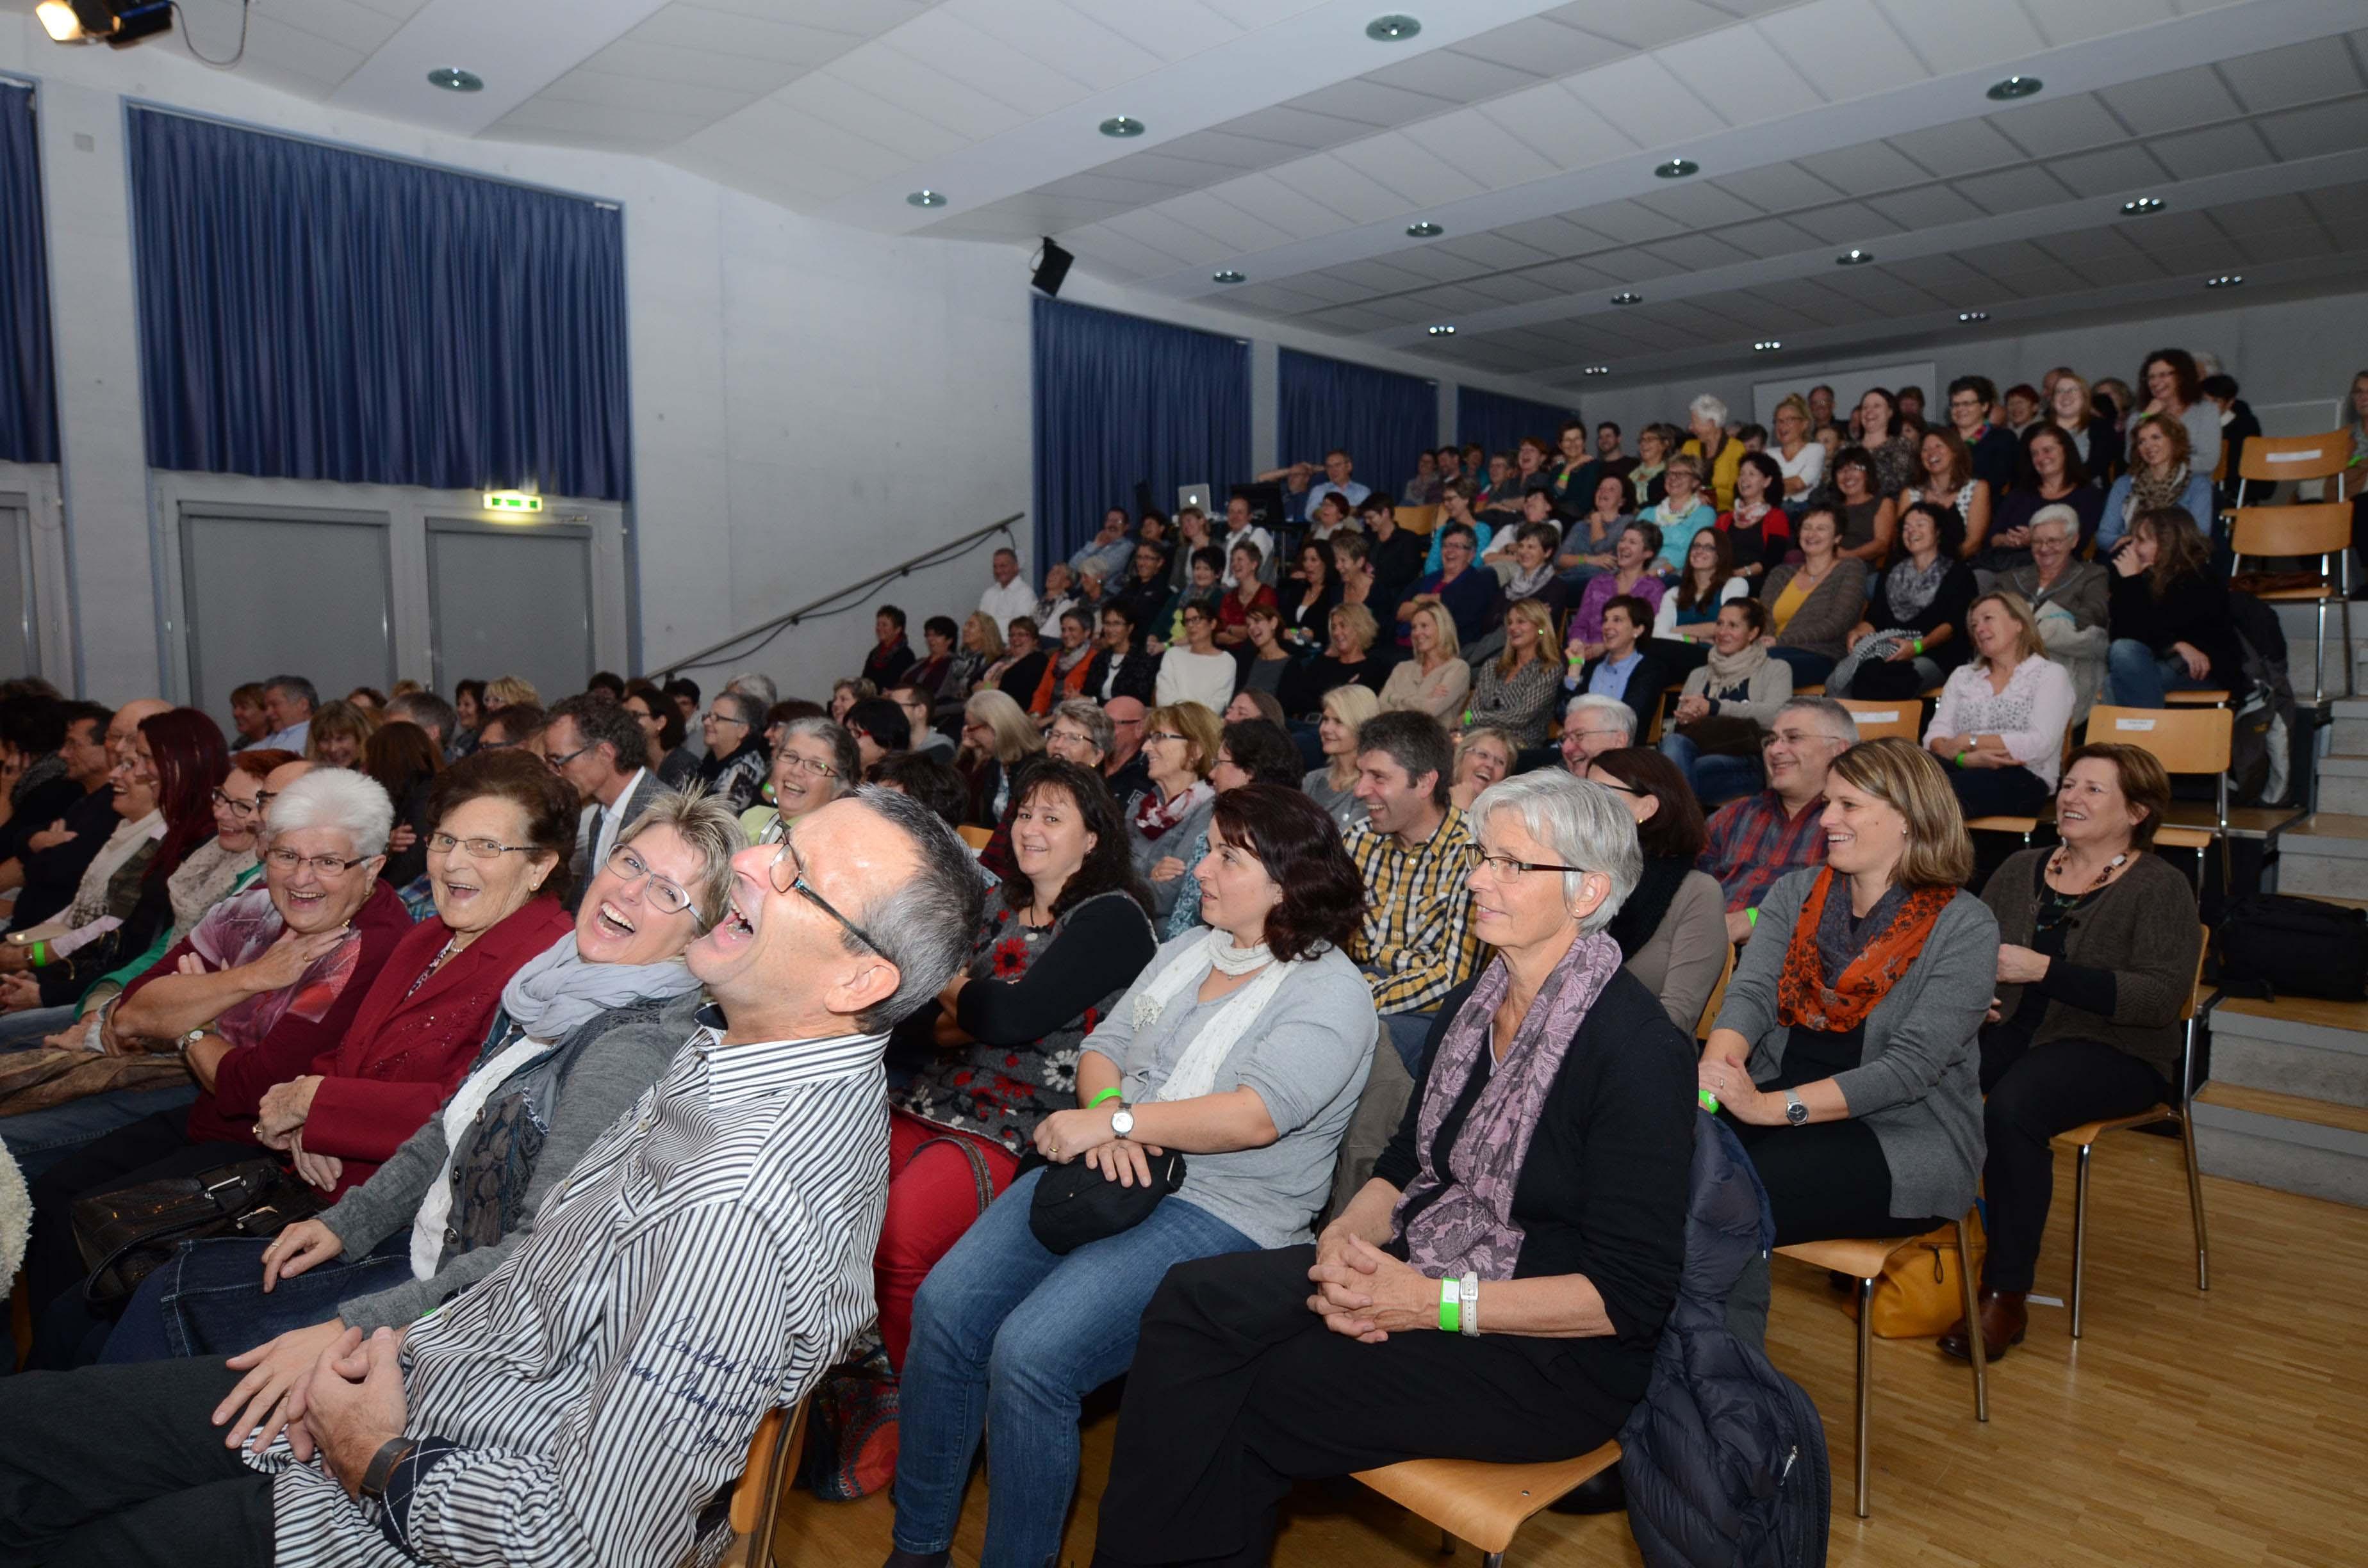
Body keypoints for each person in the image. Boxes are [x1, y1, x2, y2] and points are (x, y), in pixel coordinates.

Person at [0, 788, 981, 1568]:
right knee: (33, 1433)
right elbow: (528, 1256)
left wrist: (377, 1452)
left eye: (798, 876)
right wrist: (368, 1335)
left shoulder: (737, 1196)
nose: (754, 868)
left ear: (859, 982)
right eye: (779, 838)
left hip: (392, 1510)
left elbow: (591, 1544)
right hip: (425, 1389)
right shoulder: (733, 1053)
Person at [1087, 772, 1691, 1568]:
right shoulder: (1479, 1000)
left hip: (1549, 1358)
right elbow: (1410, 1163)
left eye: (1512, 864)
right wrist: (1343, 1235)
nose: (1477, 876)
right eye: (1483, 856)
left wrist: (1426, 1304)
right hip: (1426, 1263)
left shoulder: (1637, 1052)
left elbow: (1626, 1298)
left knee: (1257, 1387)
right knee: (1195, 1300)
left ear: (1589, 893)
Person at [889, 781, 1372, 1568]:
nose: (1200, 868)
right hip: (1111, 1168)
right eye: (1208, 846)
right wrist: (1114, 1117)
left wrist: (1118, 1124)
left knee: (1033, 1357)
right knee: (947, 1308)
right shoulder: (1187, 951)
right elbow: (1105, 1048)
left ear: (1287, 883)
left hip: (1223, 1207)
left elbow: (1257, 1115)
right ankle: (917, 1548)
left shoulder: (1331, 992)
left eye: (1225, 856)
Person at [98, 788, 739, 1371]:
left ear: (701, 937)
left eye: (667, 892)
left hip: (453, 1309)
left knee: (167, 1299)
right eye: (629, 863)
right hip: (420, 1239)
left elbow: (537, 1257)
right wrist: (346, 1224)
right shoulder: (559, 981)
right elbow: (450, 1124)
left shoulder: (626, 1046)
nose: (629, 891)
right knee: (157, 1281)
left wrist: (362, 1323)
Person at [17, 769, 425, 1366]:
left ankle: (52, 1394)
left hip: (265, 1153)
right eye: (286, 855)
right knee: (53, 1196)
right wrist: (252, 978)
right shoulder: (255, 904)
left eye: (328, 863)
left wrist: (192, 1018)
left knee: (87, 1253)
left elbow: (249, 1088)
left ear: (373, 867)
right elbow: (133, 1010)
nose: (302, 879)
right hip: (204, 1111)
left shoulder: (369, 943)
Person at [878, 761, 1159, 1370]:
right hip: (930, 1096)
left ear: (1092, 840)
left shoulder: (1111, 918)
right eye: (1026, 813)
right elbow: (913, 1017)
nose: (1030, 827)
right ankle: (868, 1367)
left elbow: (1009, 1020)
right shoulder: (993, 905)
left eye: (1052, 818)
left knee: (898, 1242)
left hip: (1022, 1125)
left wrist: (955, 986)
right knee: (832, 1212)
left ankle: (911, 1396)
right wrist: (973, 1005)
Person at [1943, 744, 2199, 1361]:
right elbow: (1963, 946)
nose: (2071, 797)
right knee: (1912, 1073)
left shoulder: (2161, 886)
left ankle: (2004, 1294)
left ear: (2137, 810)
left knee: (2012, 1109)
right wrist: (1973, 994)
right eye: (2068, 784)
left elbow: (2160, 998)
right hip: (2009, 1031)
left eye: (2093, 789)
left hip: (2115, 1049)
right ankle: (1899, 1242)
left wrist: (2045, 970)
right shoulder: (2020, 867)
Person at [1696, 738, 1994, 1247]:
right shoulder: (1796, 893)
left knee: (1718, 1199)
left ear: (1910, 817)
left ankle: (1696, 1327)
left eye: (1848, 805)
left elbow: (1909, 1070)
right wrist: (1713, 1086)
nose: (1825, 819)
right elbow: (1752, 996)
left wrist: (1769, 1109)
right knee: (1653, 1166)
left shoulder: (1964, 925)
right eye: (1828, 802)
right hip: (1775, 1090)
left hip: (1898, 1132)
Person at [1345, 711, 1482, 1072]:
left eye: (1378, 777)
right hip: (1352, 982)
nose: (1360, 790)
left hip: (1425, 1009)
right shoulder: (1357, 840)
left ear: (1424, 783)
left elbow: (1453, 979)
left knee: (1357, 1047)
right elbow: (1320, 932)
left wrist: (1352, 997)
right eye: (1361, 774)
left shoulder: (1474, 854)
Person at [1586, 747, 1727, 1031]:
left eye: (1598, 792)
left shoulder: (1696, 892)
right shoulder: (1575, 876)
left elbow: (1678, 1016)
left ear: (1647, 808)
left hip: (1639, 1054)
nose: (1584, 804)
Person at [1700, 696, 1856, 945]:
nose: (1775, 750)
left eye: (1793, 738)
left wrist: (1752, 919)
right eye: (1771, 740)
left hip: (1794, 965)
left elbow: (1847, 905)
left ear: (1839, 750)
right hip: (1705, 952)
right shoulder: (1733, 816)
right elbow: (1685, 886)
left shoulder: (1856, 824)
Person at [1923, 592, 2077, 820]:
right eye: (1974, 624)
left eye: (1988, 618)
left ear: (2019, 624)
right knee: (1904, 772)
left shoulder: (2050, 674)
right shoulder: (1963, 675)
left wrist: (1969, 742)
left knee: (1934, 793)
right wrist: (1964, 759)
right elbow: (1935, 736)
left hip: (2024, 776)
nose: (1979, 629)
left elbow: (2039, 744)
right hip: (1962, 767)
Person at [1159, 720, 1306, 938]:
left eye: (1220, 763)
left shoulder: (1229, 834)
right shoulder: (1302, 830)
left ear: (1249, 772)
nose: (1211, 774)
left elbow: (1185, 922)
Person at [1830, 501, 1977, 700]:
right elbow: (1876, 616)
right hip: (1888, 650)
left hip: (1935, 653)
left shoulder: (1959, 573)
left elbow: (1953, 626)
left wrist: (1917, 646)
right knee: (1839, 681)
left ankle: (1879, 729)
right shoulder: (1892, 571)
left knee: (1890, 680)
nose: (1911, 531)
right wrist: (1860, 630)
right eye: (1906, 527)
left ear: (1939, 532)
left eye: (1920, 524)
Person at [1661, 600, 1794, 806]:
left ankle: (1676, 823)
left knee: (1675, 776)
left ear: (1753, 633)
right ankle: (1684, 825)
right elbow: (1681, 724)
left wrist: (1715, 707)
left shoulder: (1776, 669)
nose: (1723, 632)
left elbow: (1778, 715)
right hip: (1698, 750)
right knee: (1673, 744)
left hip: (1747, 759)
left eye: (1733, 626)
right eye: (1720, 624)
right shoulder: (1699, 674)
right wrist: (1688, 716)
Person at [2106, 505, 2239, 708]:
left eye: (2141, 540)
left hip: (2199, 671)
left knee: (2116, 681)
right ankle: (2144, 736)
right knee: (2121, 660)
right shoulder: (2137, 577)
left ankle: (2139, 737)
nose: (2132, 548)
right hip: (2159, 662)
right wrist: (2175, 644)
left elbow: (2166, 627)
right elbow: (2122, 633)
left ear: (2168, 543)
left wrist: (2133, 583)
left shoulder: (2199, 577)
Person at [541, 695, 659, 905]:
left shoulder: (662, 815)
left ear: (605, 753)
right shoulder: (602, 816)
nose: (555, 774)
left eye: (559, 762)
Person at [2002, 504, 2111, 720]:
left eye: (2053, 541)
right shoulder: (2010, 578)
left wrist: (2032, 620)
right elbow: (1990, 615)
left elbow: (2094, 615)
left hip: (2068, 659)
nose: (2044, 548)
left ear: (2074, 541)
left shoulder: (2091, 575)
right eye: (2037, 542)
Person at [1127, 702, 1222, 922]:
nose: (1145, 748)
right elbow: (1106, 871)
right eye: (1149, 738)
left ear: (1196, 750)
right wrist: (1148, 877)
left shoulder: (1210, 811)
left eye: (1159, 737)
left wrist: (1126, 880)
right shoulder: (1142, 805)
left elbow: (1167, 896)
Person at [1760, 505, 1870, 689]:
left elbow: (1837, 623)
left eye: (1821, 529)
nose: (1812, 534)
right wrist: (1766, 640)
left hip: (1821, 654)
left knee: (1765, 665)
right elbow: (1762, 616)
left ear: (1837, 537)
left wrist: (1780, 641)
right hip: (1771, 649)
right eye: (1807, 527)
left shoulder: (1851, 569)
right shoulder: (1780, 574)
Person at [1986, 423, 2102, 568]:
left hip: (2059, 570)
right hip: (2008, 564)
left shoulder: (2088, 495)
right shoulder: (2019, 493)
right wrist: (2009, 540)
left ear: (2066, 451)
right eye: (2035, 454)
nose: (2041, 458)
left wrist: (2036, 540)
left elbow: (2079, 542)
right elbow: (1993, 537)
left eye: (2047, 451)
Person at [2098, 413, 2214, 554]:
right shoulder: (2123, 484)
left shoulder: (2198, 485)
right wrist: (2137, 545)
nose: (2149, 446)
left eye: (2156, 437)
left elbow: (2199, 535)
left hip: (2177, 559)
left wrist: (2150, 545)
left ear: (2174, 440)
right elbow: (2104, 536)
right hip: (2131, 555)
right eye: (2142, 441)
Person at [743, 715, 859, 845]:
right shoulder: (752, 816)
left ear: (840, 788)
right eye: (790, 756)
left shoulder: (830, 846)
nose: (796, 771)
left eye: (816, 766)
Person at [1463, 598, 1559, 749]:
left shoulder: (1549, 669)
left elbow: (1520, 717)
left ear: (1540, 627)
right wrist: (1464, 734)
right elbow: (1469, 713)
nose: (1513, 627)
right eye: (1510, 622)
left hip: (1521, 747)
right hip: (1480, 739)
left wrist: (1475, 718)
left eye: (1521, 621)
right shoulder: (1492, 666)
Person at [1566, 521, 1666, 662]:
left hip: (1627, 659)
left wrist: (1604, 647)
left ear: (1648, 553)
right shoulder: (1599, 582)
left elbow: (1644, 632)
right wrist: (1578, 644)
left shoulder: (1654, 588)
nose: (1623, 546)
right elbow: (1580, 624)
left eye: (1632, 542)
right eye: (1622, 540)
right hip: (1585, 655)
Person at [1569, 595, 1672, 721]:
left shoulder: (1650, 670)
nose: (1607, 626)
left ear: (1638, 630)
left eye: (1617, 620)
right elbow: (1563, 713)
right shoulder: (1591, 666)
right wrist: (1574, 672)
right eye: (1605, 620)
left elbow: (1630, 718)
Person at [1278, 604, 1387, 719]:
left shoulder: (1372, 666)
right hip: (1301, 723)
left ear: (1359, 628)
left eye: (1343, 626)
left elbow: (1353, 708)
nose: (1336, 633)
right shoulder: (1322, 661)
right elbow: (1296, 699)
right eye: (1334, 627)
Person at [1401, 521, 1497, 650]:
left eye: (1458, 546)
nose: (1450, 551)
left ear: (1471, 555)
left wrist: (1420, 601)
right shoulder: (1428, 579)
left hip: (1443, 650)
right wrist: (1436, 603)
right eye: (1446, 545)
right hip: (1403, 644)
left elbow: (1454, 618)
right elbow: (1400, 612)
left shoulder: (1478, 581)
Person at [1902, 426, 1992, 560]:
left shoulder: (1976, 488)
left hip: (1961, 564)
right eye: (1925, 450)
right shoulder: (1910, 494)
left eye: (1939, 446)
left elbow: (1974, 543)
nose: (1932, 453)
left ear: (1955, 451)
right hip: (1914, 566)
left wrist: (1940, 567)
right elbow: (1901, 541)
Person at [956, 689, 1041, 829]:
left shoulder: (1035, 768)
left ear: (992, 728)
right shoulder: (997, 761)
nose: (968, 733)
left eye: (972, 728)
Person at [1656, 526, 1750, 651]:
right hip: (1677, 656)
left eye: (1708, 548)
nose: (1699, 551)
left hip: (1717, 659)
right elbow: (1658, 635)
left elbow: (1728, 628)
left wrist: (1676, 631)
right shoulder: (1673, 593)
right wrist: (1695, 639)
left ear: (1720, 555)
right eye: (1696, 546)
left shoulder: (1736, 584)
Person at [1302, 684, 1379, 832]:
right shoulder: (1311, 780)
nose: (1325, 729)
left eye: (1338, 722)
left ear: (1361, 727)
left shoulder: (1371, 789)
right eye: (1325, 720)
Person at [1379, 603, 1470, 724]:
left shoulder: (1458, 668)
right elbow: (1381, 706)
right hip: (1393, 736)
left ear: (1442, 627)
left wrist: (1394, 699)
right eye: (1414, 627)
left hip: (1434, 740)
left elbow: (1430, 711)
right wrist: (1426, 698)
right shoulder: (1402, 668)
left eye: (1424, 626)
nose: (1417, 633)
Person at [2138, 347, 2219, 478]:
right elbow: (2132, 459)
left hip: (2193, 483)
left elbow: (2208, 462)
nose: (2155, 382)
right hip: (2151, 485)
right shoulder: (2140, 415)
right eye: (2151, 377)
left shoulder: (2206, 411)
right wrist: (2146, 418)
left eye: (2163, 375)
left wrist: (2163, 462)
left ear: (2182, 377)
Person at [1716, 452, 1793, 579]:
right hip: (1723, 578)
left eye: (1752, 474)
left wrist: (1740, 574)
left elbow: (1773, 559)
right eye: (1741, 474)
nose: (1744, 479)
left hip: (1755, 581)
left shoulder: (1776, 517)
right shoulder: (1724, 519)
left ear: (1767, 481)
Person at [1155, 600, 1238, 714]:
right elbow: (1163, 699)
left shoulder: (1226, 661)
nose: (1190, 626)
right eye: (1187, 621)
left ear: (1212, 624)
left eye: (1196, 620)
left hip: (1204, 728)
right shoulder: (1173, 655)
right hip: (1171, 723)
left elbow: (1216, 707)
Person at [694, 689, 769, 813]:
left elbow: (718, 822)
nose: (706, 722)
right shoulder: (712, 759)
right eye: (708, 716)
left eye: (717, 718)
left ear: (742, 730)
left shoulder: (744, 772)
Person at [1946, 375, 2020, 497]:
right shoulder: (1942, 439)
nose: (1960, 409)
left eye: (1967, 404)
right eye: (1955, 405)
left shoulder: (2003, 438)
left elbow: (1998, 483)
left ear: (1984, 406)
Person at [1640, 453, 1715, 573]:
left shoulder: (1704, 514)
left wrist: (1657, 573)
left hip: (1676, 573)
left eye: (1681, 474)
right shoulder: (1647, 513)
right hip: (1641, 567)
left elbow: (1691, 552)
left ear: (1695, 482)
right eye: (1670, 474)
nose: (1673, 478)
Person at [621, 679, 702, 790]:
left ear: (660, 722)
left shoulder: (686, 767)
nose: (627, 721)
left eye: (635, 715)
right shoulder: (634, 762)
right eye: (626, 715)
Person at [1556, 473, 1632, 586]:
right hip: (1569, 580)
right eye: (1600, 488)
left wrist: (1596, 520)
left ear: (1622, 501)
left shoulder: (1626, 522)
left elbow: (1601, 548)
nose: (1603, 492)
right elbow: (1559, 559)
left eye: (1612, 489)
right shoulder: (1581, 526)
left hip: (1602, 583)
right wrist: (1589, 560)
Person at [1828, 445, 1898, 566]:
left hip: (1862, 569)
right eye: (1841, 471)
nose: (1848, 476)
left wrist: (1847, 556)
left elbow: (1881, 544)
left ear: (1867, 474)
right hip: (1827, 567)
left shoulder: (1883, 503)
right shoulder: (1831, 507)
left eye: (1855, 468)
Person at [2050, 372, 2123, 484]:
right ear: (2053, 400)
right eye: (2060, 391)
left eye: (2072, 390)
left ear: (2084, 398)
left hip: (2088, 491)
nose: (2066, 395)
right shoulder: (2037, 431)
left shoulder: (2102, 429)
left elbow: (2097, 466)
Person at [1854, 388, 1920, 499]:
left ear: (1890, 412)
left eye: (1877, 406)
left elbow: (1898, 484)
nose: (1869, 411)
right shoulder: (1847, 448)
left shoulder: (1902, 445)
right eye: (1865, 407)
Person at [1682, 393, 1745, 510]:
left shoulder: (1736, 448)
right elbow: (1680, 483)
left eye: (1694, 422)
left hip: (1726, 515)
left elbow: (1739, 492)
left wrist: (1704, 493)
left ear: (1711, 423)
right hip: (1692, 512)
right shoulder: (1689, 447)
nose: (1690, 427)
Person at [1215, 543, 1280, 648]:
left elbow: (1261, 631)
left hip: (1257, 654)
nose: (1234, 564)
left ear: (1254, 565)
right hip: (1228, 654)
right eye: (1233, 560)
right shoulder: (1229, 597)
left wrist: (1230, 629)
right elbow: (1218, 635)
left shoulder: (1266, 593)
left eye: (1240, 559)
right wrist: (1243, 637)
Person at [1556, 692, 1636, 774]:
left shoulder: (1643, 784)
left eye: (1579, 735)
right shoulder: (1553, 782)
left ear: (1619, 741)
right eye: (1564, 739)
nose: (1566, 748)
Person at [1235, 605, 1297, 706]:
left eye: (1257, 621)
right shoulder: (1248, 659)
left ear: (1273, 623)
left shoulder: (1291, 665)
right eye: (1248, 625)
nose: (1251, 628)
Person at [1772, 393, 1826, 508]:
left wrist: (1767, 488)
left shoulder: (1816, 450)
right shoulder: (1768, 454)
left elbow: (1798, 484)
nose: (1783, 426)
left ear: (1804, 424)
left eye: (1790, 420)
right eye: (1779, 421)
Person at [1448, 725, 1515, 812]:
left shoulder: (1505, 814)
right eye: (1483, 755)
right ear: (1461, 757)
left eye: (1500, 762)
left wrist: (1462, 811)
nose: (1490, 765)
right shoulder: (1432, 795)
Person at [887, 683, 957, 765]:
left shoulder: (942, 751)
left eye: (896, 707)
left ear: (920, 711)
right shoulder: (898, 744)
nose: (889, 712)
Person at [985, 617, 1049, 707]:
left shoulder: (1038, 659)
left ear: (1035, 640)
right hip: (985, 703)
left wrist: (985, 687)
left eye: (1021, 635)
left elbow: (1010, 689)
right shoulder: (1004, 657)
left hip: (1008, 709)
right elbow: (973, 681)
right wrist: (989, 687)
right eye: (1012, 635)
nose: (1015, 639)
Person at [302, 699, 376, 770]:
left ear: (360, 737)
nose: (333, 748)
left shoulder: (377, 775)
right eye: (325, 740)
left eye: (340, 739)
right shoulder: (307, 777)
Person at [256, 676, 317, 753]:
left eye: (275, 704)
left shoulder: (319, 738)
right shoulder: (272, 737)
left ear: (303, 705)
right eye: (266, 707)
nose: (268, 713)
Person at [980, 546, 1037, 626]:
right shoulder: (989, 593)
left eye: (1003, 566)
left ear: (1016, 567)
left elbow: (1019, 629)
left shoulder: (1025, 593)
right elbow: (980, 624)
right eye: (995, 567)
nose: (998, 571)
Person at [865, 605, 919, 689]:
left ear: (898, 629)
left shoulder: (906, 655)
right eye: (878, 624)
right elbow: (865, 683)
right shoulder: (874, 654)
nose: (879, 628)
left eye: (884, 625)